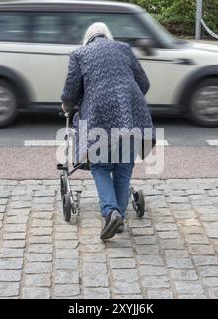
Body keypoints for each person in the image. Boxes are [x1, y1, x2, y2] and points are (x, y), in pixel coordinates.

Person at [61, 22, 154, 241]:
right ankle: (118, 217)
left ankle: (111, 213)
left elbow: (71, 90)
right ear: (107, 36)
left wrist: (67, 105)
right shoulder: (123, 48)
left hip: (99, 118)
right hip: (131, 115)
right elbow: (144, 83)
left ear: (88, 38)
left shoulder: (79, 54)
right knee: (123, 167)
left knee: (101, 167)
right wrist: (126, 97)